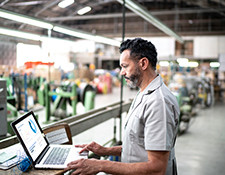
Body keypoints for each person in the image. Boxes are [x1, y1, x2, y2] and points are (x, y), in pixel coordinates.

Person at [65, 38, 180, 175]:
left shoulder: (158, 102)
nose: (121, 72)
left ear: (143, 63)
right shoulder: (144, 92)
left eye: (125, 66)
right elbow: (138, 146)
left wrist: (101, 165)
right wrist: (105, 151)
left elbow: (157, 168)